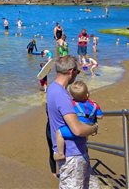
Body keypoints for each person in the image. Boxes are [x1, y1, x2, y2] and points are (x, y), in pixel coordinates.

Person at [46, 55, 99, 188]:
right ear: (71, 71)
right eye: (77, 72)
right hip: (72, 155)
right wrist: (94, 128)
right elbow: (77, 130)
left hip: (73, 152)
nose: (77, 75)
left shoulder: (52, 88)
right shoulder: (62, 96)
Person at [54, 81, 103, 162]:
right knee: (84, 137)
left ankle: (60, 154)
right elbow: (100, 116)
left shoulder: (72, 103)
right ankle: (84, 146)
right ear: (87, 94)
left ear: (72, 96)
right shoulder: (94, 105)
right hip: (88, 128)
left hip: (78, 128)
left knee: (59, 132)